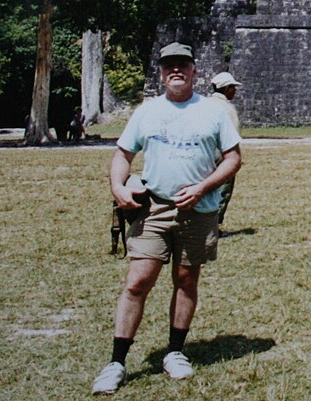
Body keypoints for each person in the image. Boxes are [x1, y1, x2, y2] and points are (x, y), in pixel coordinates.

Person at [91, 43, 242, 395]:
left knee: (186, 280)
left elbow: (233, 158)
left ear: (194, 71)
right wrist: (117, 186)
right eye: (168, 65)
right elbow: (122, 154)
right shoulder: (147, 111)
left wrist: (204, 187)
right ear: (161, 73)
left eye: (182, 65)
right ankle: (116, 361)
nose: (176, 70)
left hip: (198, 210)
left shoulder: (212, 111)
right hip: (154, 208)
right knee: (137, 282)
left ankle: (175, 352)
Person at [208, 72, 244, 232]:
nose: (234, 91)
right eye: (233, 88)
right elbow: (233, 137)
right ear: (227, 88)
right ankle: (214, 226)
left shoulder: (202, 104)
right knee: (222, 190)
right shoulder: (227, 109)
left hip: (203, 152)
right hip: (221, 154)